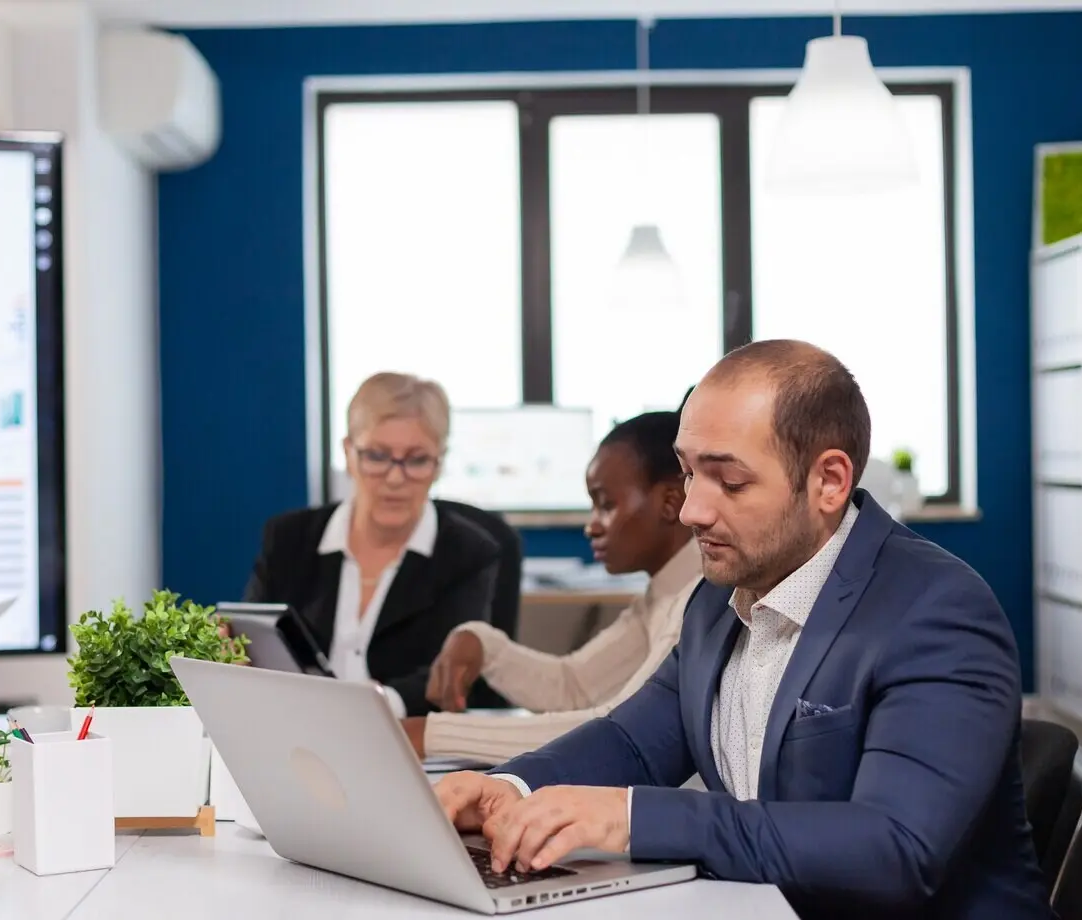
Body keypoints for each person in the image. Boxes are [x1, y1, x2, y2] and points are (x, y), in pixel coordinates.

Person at [434, 340, 1050, 920]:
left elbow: (893, 850)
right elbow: (633, 741)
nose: (695, 510)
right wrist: (509, 786)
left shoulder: (937, 612)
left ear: (829, 482)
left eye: (729, 481)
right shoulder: (718, 597)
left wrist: (629, 817)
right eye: (688, 475)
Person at [402, 411, 703, 764]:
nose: (591, 527)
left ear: (670, 502)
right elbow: (573, 688)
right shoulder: (663, 594)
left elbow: (617, 730)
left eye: (606, 505)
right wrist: (481, 643)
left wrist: (431, 734)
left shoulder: (695, 599)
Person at [244, 372, 500, 719]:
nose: (395, 478)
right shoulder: (289, 538)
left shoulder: (468, 553)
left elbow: (456, 676)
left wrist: (377, 704)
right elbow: (253, 643)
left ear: (439, 462)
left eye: (417, 459)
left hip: (406, 742)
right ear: (349, 452)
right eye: (377, 456)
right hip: (294, 729)